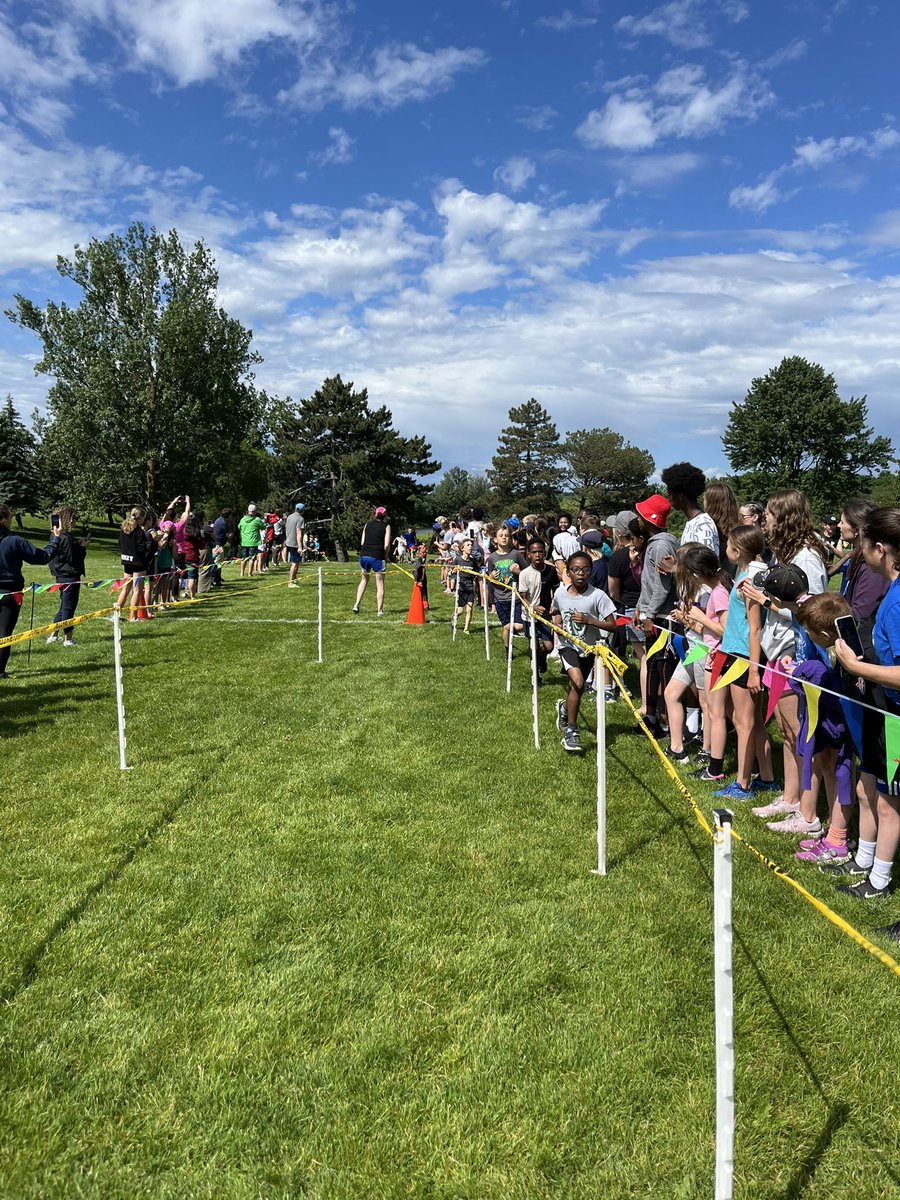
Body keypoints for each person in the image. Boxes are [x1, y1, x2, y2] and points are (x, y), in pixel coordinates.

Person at [832, 507, 900, 914]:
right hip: (883, 708)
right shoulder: (892, 591)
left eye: (864, 544)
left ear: (880, 549)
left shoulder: (898, 600)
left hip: (896, 716)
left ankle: (879, 881)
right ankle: (865, 861)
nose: (859, 550)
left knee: (890, 803)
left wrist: (857, 668)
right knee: (866, 787)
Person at [712, 524, 777, 801]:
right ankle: (768, 777)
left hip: (744, 656)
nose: (725, 548)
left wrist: (753, 670)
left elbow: (755, 628)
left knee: (744, 722)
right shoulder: (749, 572)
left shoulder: (749, 580)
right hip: (737, 651)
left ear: (737, 551)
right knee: (755, 722)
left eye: (728, 544)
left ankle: (743, 783)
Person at [551, 550, 618, 752]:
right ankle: (571, 730)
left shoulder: (598, 596)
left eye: (585, 570)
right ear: (568, 572)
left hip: (588, 648)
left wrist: (589, 620)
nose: (581, 574)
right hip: (567, 645)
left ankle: (564, 708)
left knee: (576, 687)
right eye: (576, 570)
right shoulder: (560, 593)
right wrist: (557, 621)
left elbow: (612, 626)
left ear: (591, 572)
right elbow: (556, 609)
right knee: (579, 682)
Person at [633, 494, 679, 736]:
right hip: (653, 612)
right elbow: (649, 583)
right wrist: (640, 607)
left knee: (662, 667)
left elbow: (662, 586)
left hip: (662, 616)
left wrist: (650, 615)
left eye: (641, 514)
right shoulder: (655, 544)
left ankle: (666, 721)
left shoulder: (660, 546)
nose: (638, 518)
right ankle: (652, 716)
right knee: (652, 664)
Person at [0, 506, 58, 678]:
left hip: (9, 592)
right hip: (9, 592)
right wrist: (55, 539)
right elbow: (42, 557)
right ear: (4, 519)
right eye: (10, 517)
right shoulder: (15, 541)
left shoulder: (14, 540)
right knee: (4, 632)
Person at [45, 507, 88, 647]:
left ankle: (53, 635)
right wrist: (82, 548)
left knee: (64, 605)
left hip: (61, 574)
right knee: (69, 607)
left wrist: (77, 545)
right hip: (69, 575)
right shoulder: (66, 537)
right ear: (68, 520)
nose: (75, 522)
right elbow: (72, 558)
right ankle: (68, 639)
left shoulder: (56, 536)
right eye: (74, 519)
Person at [517, 537, 557, 675]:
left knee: (549, 646)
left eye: (540, 552)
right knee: (533, 645)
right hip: (529, 616)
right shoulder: (524, 574)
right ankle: (536, 676)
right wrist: (532, 607)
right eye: (534, 552)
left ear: (544, 553)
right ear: (529, 554)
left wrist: (555, 605)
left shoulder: (551, 571)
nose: (537, 555)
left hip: (545, 615)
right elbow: (523, 597)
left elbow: (556, 590)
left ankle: (542, 657)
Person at [661, 462, 719, 554]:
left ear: (680, 496)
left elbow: (704, 562)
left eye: (670, 494)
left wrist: (673, 564)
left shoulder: (702, 526)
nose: (669, 499)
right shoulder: (693, 522)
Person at [486, 523, 526, 647]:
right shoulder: (492, 558)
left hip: (516, 597)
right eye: (501, 535)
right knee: (507, 626)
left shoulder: (516, 554)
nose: (504, 537)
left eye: (506, 535)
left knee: (519, 626)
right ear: (495, 539)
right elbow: (490, 578)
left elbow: (527, 573)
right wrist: (491, 577)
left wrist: (518, 572)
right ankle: (507, 649)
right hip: (500, 598)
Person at [354, 505, 391, 616]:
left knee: (364, 580)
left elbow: (362, 542)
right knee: (380, 584)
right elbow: (386, 545)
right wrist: (386, 556)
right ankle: (379, 610)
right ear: (385, 516)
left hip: (364, 555)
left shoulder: (367, 524)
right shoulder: (386, 526)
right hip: (377, 556)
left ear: (375, 514)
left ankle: (356, 605)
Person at [238, 504, 265, 578]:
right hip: (253, 542)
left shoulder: (242, 519)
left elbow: (239, 527)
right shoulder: (257, 519)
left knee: (243, 558)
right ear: (255, 511)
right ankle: (249, 574)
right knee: (252, 558)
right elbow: (263, 527)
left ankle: (242, 573)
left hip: (244, 541)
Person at [285, 503, 305, 588]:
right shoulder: (300, 519)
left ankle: (294, 579)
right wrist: (300, 547)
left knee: (295, 562)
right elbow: (299, 533)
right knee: (295, 563)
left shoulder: (289, 516)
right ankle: (291, 582)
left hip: (288, 542)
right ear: (302, 511)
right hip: (295, 544)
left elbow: (286, 528)